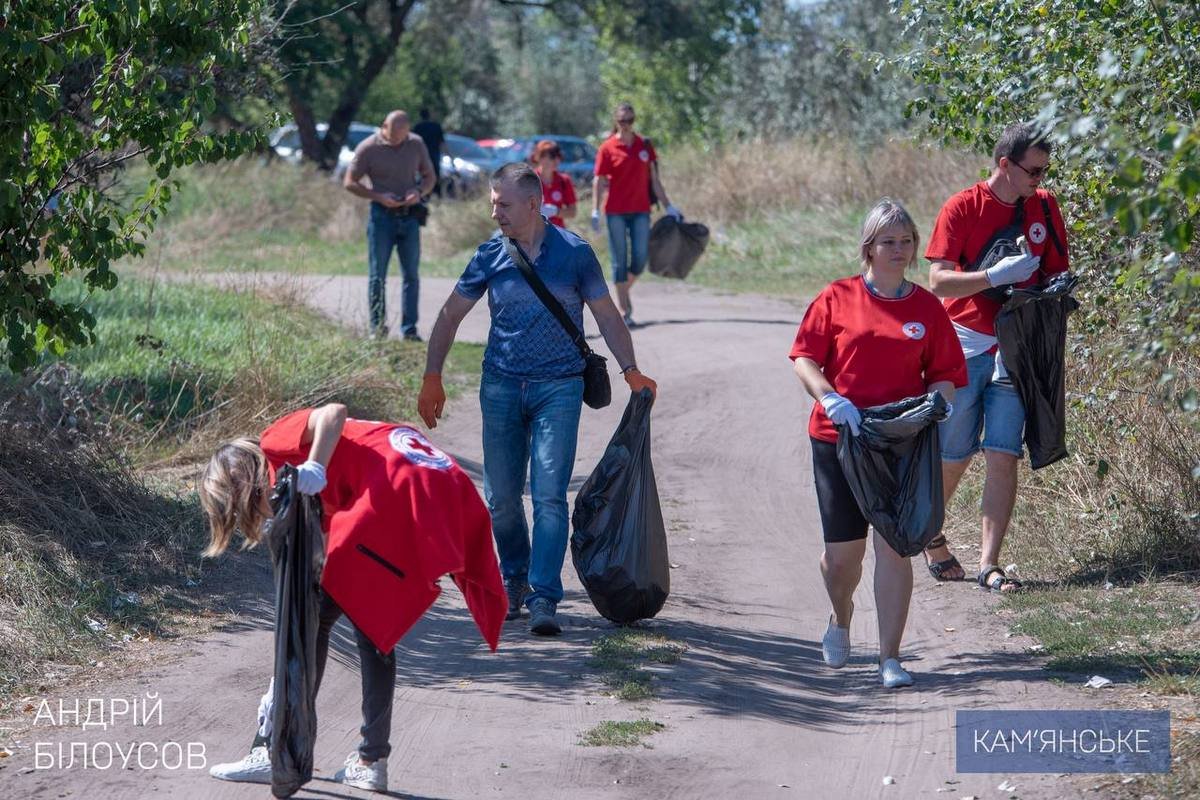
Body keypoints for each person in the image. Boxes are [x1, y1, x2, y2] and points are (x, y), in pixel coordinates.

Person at [201, 403, 504, 792]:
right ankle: (370, 761)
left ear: (244, 483)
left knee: (313, 619)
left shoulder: (275, 441)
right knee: (368, 623)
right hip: (440, 486)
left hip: (398, 488)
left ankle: (277, 750)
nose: (264, 513)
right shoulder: (310, 476)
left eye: (249, 507)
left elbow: (334, 411)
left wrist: (315, 466)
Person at [418, 162, 658, 637]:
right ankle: (514, 579)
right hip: (501, 387)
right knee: (502, 499)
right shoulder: (490, 255)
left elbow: (607, 316)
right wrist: (432, 375)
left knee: (549, 495)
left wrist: (630, 370)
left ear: (533, 204)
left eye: (503, 205)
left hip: (559, 388)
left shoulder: (575, 254)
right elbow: (449, 316)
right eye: (493, 204)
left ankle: (544, 595)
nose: (495, 214)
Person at [790, 199, 967, 688]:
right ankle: (841, 616)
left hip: (901, 443)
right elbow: (804, 358)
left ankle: (890, 658)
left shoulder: (925, 307)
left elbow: (946, 372)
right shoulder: (837, 297)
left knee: (895, 547)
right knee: (842, 560)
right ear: (868, 248)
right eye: (888, 241)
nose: (899, 249)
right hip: (840, 438)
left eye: (906, 241)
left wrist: (938, 403)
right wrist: (830, 399)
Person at [924, 122, 1070, 592]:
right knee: (954, 454)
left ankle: (990, 564)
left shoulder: (1044, 206)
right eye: (1033, 170)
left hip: (1017, 346)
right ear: (1005, 164)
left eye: (1045, 170)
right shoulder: (963, 206)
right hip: (965, 343)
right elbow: (938, 282)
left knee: (1004, 453)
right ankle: (929, 534)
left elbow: (1056, 272)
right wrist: (992, 276)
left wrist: (1051, 292)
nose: (1040, 180)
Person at [344, 110, 437, 341]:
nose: (397, 140)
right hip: (381, 218)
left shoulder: (416, 144)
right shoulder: (368, 148)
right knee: (378, 275)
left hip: (410, 217)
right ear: (384, 126)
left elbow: (430, 177)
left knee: (411, 275)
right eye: (394, 135)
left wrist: (418, 192)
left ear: (408, 131)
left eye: (402, 136)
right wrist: (377, 196)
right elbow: (349, 182)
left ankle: (409, 330)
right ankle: (377, 329)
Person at [591, 102, 682, 326]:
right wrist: (595, 210)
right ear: (616, 121)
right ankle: (625, 309)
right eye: (622, 120)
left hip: (641, 209)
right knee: (619, 259)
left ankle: (622, 291)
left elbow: (654, 180)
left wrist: (669, 206)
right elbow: (599, 181)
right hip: (615, 211)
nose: (626, 124)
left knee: (640, 258)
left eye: (630, 120)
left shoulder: (644, 145)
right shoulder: (607, 148)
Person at [531, 139, 577, 228]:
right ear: (539, 157)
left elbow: (572, 212)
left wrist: (556, 211)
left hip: (557, 232)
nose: (556, 160)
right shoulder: (529, 179)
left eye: (558, 157)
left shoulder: (564, 180)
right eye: (552, 157)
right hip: (533, 232)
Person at [412, 108, 446, 198]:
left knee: (422, 175)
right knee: (435, 174)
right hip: (434, 154)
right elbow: (442, 142)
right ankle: (437, 194)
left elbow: (413, 142)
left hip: (421, 155)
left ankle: (423, 194)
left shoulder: (418, 127)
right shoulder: (436, 126)